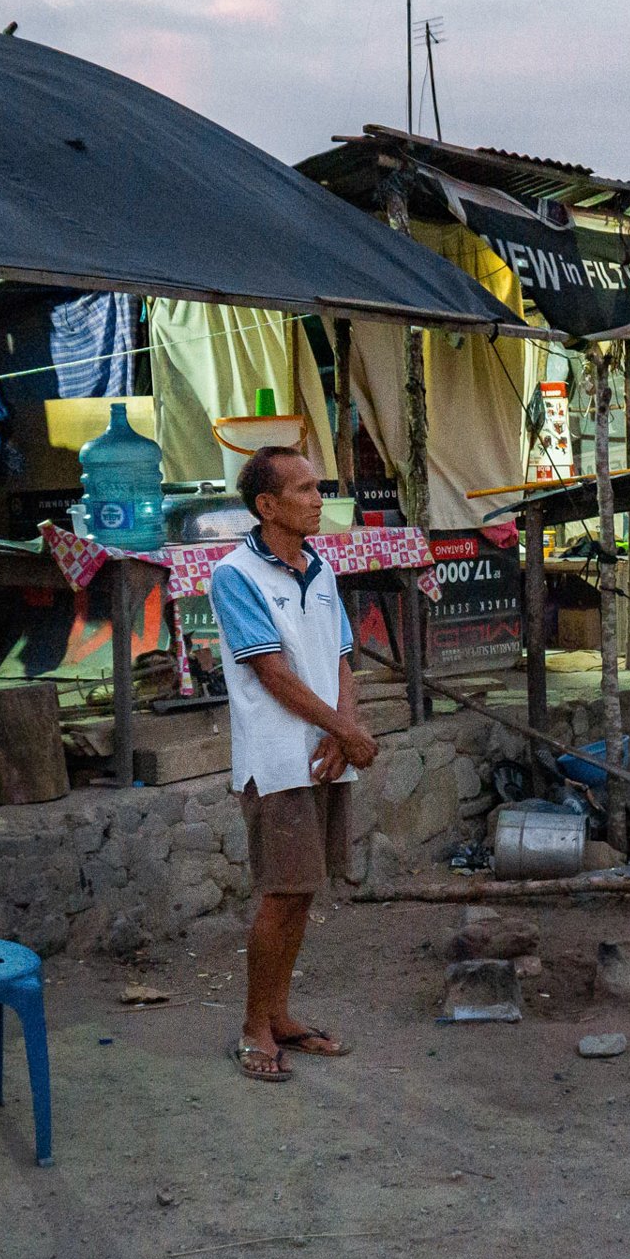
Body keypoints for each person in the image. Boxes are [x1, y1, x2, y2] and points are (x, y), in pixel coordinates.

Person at [208, 446, 378, 1081]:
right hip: (276, 759)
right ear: (267, 506)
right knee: (281, 894)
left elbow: (339, 659)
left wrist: (344, 732)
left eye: (318, 488)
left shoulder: (321, 570)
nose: (317, 499)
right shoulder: (235, 576)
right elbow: (272, 673)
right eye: (305, 490)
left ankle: (280, 1015)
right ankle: (255, 1024)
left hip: (322, 756)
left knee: (303, 891)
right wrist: (346, 732)